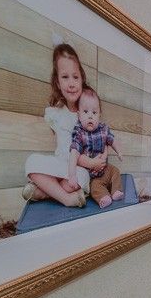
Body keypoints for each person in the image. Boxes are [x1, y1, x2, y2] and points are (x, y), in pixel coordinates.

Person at [22, 43, 105, 207]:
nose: (71, 83)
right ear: (58, 83)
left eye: (75, 77)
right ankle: (67, 198)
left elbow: (96, 142)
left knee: (81, 178)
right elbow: (63, 149)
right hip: (59, 166)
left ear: (82, 79)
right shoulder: (56, 114)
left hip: (76, 171)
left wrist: (92, 163)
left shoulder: (87, 114)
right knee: (31, 163)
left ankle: (44, 192)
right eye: (65, 77)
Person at [69, 88, 124, 208]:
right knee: (95, 188)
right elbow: (74, 153)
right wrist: (72, 175)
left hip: (106, 168)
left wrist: (119, 151)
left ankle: (116, 191)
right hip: (93, 175)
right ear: (78, 115)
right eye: (85, 112)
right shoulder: (79, 133)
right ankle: (104, 198)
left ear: (99, 115)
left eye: (94, 113)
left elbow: (112, 140)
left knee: (116, 172)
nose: (90, 116)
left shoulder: (103, 129)